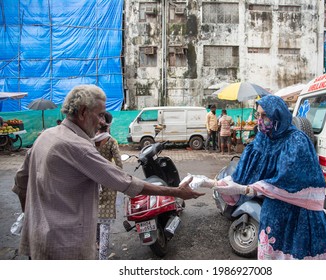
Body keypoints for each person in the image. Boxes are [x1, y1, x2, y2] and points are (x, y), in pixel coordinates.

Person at [12, 84, 204, 260]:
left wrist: (34, 218)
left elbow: (20, 183)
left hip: (39, 239)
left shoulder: (46, 136)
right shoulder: (77, 146)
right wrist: (176, 193)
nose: (102, 122)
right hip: (66, 247)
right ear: (83, 113)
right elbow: (127, 183)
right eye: (100, 115)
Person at [213, 95, 326, 260]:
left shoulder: (296, 141)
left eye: (265, 115)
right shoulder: (261, 141)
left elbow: (291, 180)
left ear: (278, 115)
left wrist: (250, 189)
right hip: (272, 216)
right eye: (258, 115)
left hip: (299, 218)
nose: (260, 120)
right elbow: (243, 173)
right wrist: (215, 183)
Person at [92, 111, 121, 260]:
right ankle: (102, 257)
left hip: (91, 183)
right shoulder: (111, 141)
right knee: (105, 224)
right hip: (108, 184)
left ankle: (94, 245)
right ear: (109, 125)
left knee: (94, 216)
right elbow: (119, 165)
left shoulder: (89, 140)